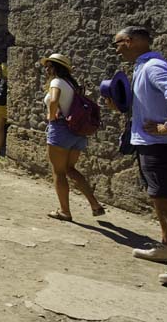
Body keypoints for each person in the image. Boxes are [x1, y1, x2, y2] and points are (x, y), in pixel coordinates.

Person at [109, 26, 167, 286]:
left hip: (162, 144)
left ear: (131, 41)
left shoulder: (154, 66)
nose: (116, 50)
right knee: (157, 197)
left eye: (118, 44)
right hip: (150, 142)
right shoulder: (142, 67)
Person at [39, 53, 104, 222]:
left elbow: (53, 101)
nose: (45, 69)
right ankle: (95, 204)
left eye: (48, 66)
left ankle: (64, 211)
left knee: (58, 172)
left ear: (54, 67)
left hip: (61, 129)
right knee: (70, 169)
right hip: (77, 132)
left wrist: (51, 115)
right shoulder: (72, 84)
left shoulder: (56, 82)